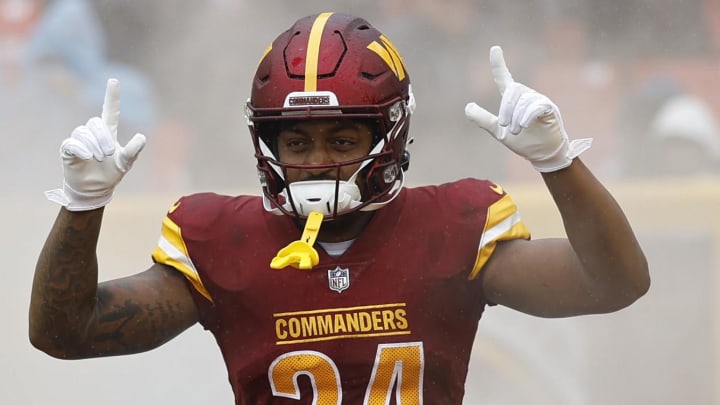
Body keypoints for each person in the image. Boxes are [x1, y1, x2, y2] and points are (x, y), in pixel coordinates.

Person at [29, 12, 650, 404]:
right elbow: (65, 332)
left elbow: (614, 283)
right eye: (295, 141)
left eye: (342, 139)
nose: (317, 159)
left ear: (392, 136)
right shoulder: (224, 239)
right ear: (264, 141)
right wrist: (83, 205)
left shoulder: (451, 227)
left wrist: (558, 162)